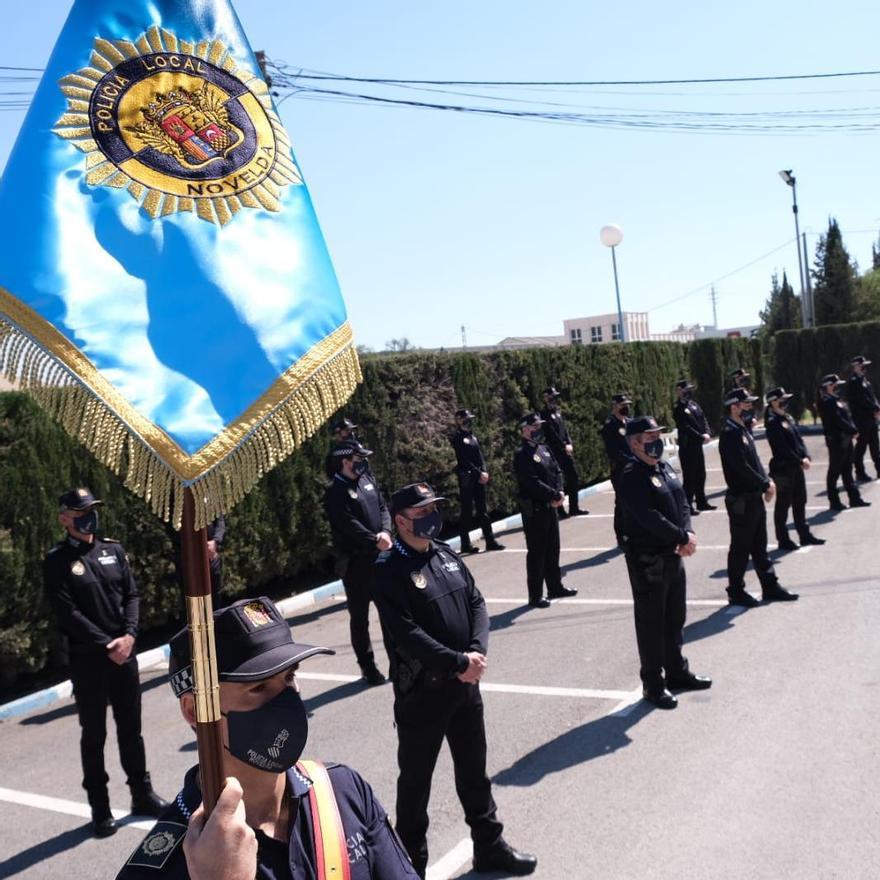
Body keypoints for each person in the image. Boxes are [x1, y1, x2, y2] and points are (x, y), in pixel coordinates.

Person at [117, 597, 419, 879]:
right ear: (195, 711)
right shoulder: (155, 870)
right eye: (258, 687)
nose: (285, 703)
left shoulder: (342, 790)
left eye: (289, 677)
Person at [373, 483, 537, 879]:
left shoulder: (445, 554)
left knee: (474, 773)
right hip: (423, 694)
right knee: (415, 785)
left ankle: (490, 847)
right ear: (400, 521)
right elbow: (406, 634)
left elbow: (477, 602)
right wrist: (457, 661)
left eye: (434, 508)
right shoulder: (390, 569)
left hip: (464, 687)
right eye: (422, 511)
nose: (431, 516)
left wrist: (476, 652)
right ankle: (410, 866)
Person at [43, 487, 167, 838]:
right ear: (64, 518)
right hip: (90, 661)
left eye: (92, 509)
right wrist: (106, 645)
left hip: (123, 655)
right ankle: (100, 808)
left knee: (132, 730)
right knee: (94, 734)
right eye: (81, 511)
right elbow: (67, 613)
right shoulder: (57, 561)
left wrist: (129, 635)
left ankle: (141, 794)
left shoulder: (114, 549)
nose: (89, 516)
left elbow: (132, 595)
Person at [617, 416, 711, 710]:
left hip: (672, 554)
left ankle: (677, 672)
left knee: (675, 617)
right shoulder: (631, 475)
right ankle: (653, 685)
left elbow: (683, 501)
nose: (656, 439)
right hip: (648, 561)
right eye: (649, 436)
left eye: (657, 434)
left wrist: (689, 532)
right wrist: (681, 536)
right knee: (651, 624)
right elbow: (648, 517)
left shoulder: (664, 467)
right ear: (634, 443)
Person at [718, 390, 799, 607]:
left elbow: (754, 461)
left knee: (759, 545)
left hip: (753, 496)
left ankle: (770, 586)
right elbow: (740, 466)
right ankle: (736, 591)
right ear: (734, 406)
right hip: (741, 499)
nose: (750, 408)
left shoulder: (741, 429)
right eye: (746, 404)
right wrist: (764, 483)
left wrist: (767, 481)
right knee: (741, 547)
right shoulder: (730, 433)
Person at [323, 439, 391, 685]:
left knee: (390, 612)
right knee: (360, 618)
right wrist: (375, 539)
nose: (363, 462)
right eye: (358, 459)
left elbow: (383, 508)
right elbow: (348, 525)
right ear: (345, 461)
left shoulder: (367, 481)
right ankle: (368, 666)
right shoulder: (335, 492)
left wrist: (386, 532)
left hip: (380, 558)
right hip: (356, 565)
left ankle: (397, 660)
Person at [513, 412, 577, 607]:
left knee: (553, 549)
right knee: (537, 553)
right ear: (524, 429)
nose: (538, 430)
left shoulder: (544, 448)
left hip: (551, 507)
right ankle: (535, 595)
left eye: (539, 426)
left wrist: (559, 491)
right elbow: (531, 482)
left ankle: (555, 586)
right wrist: (554, 495)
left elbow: (557, 470)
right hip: (536, 510)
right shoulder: (521, 454)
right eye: (534, 427)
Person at [764, 387, 825, 551]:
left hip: (796, 468)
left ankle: (804, 536)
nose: (785, 401)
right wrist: (799, 460)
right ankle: (783, 540)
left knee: (800, 501)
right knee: (783, 505)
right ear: (773, 402)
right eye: (781, 399)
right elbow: (782, 448)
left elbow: (798, 440)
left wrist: (806, 455)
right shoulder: (772, 423)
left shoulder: (787, 418)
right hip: (784, 470)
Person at [450, 408, 504, 554]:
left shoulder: (472, 436)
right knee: (467, 512)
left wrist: (484, 471)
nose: (469, 421)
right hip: (468, 479)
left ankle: (490, 541)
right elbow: (464, 460)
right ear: (459, 421)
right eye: (465, 419)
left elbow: (479, 456)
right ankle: (465, 544)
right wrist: (479, 473)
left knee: (483, 511)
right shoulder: (458, 438)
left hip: (479, 478)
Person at [819, 373, 870, 512]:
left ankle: (854, 498)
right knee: (834, 472)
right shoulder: (827, 402)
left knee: (847, 470)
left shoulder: (837, 400)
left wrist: (853, 429)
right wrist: (852, 430)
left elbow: (847, 417)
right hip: (836, 441)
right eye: (835, 385)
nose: (837, 387)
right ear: (828, 386)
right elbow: (837, 420)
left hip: (845, 439)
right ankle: (834, 501)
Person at [540, 386, 588, 517]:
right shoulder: (543, 415)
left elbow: (564, 430)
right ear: (545, 398)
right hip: (555, 452)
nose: (554, 399)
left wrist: (569, 443)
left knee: (573, 477)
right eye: (551, 397)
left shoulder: (558, 411)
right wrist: (563, 446)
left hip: (566, 450)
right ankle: (560, 510)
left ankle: (574, 507)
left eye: (555, 397)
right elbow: (551, 434)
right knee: (557, 480)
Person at [672, 378, 715, 515]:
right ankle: (688, 505)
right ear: (679, 391)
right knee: (689, 477)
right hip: (687, 447)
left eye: (689, 389)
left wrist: (707, 432)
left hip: (697, 446)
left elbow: (703, 419)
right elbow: (686, 428)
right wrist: (701, 436)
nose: (688, 392)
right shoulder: (678, 409)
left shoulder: (694, 405)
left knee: (700, 475)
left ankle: (701, 502)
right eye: (685, 390)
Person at [599, 392, 634, 546]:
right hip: (620, 470)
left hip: (634, 468)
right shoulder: (610, 426)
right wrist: (630, 460)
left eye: (627, 405)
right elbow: (613, 451)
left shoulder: (630, 423)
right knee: (621, 503)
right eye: (622, 405)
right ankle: (621, 536)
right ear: (614, 406)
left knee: (636, 501)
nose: (626, 408)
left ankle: (634, 532)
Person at [847, 355, 880, 481]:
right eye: (862, 365)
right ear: (856, 367)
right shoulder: (854, 382)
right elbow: (861, 400)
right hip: (861, 420)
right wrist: (874, 408)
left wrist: (877, 407)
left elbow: (872, 397)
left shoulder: (864, 380)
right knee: (861, 447)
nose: (865, 367)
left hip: (870, 419)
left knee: (875, 446)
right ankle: (860, 473)